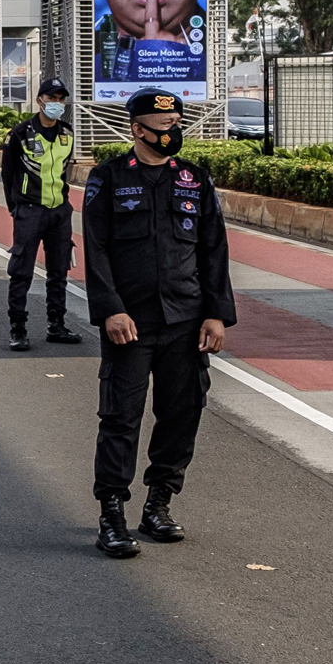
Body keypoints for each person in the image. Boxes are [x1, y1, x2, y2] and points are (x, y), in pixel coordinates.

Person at [79, 90, 233, 558]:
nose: (171, 131)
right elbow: (96, 249)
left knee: (182, 414)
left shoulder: (195, 180)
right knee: (121, 419)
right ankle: (111, 515)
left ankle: (158, 505)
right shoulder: (107, 179)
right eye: (161, 124)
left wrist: (216, 313)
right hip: (132, 322)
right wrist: (111, 309)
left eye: (175, 122)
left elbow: (213, 250)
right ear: (137, 129)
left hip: (185, 321)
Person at [0, 77, 84, 352]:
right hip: (30, 211)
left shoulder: (67, 134)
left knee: (59, 271)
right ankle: (18, 329)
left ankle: (56, 325)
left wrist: (64, 205)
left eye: (61, 99)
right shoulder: (21, 133)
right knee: (21, 271)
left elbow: (63, 172)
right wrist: (16, 208)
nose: (56, 103)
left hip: (59, 211)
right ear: (39, 100)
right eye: (51, 98)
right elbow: (8, 174)